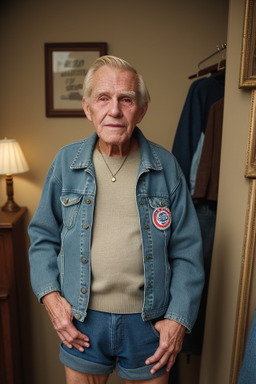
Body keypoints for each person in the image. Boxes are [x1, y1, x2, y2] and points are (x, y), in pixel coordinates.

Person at [28, 55, 204, 384]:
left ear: (142, 109)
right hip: (82, 320)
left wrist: (178, 320)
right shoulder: (66, 162)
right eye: (103, 98)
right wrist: (52, 300)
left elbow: (188, 253)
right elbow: (42, 239)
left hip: (149, 322)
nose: (115, 110)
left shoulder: (166, 168)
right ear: (87, 107)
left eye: (126, 99)